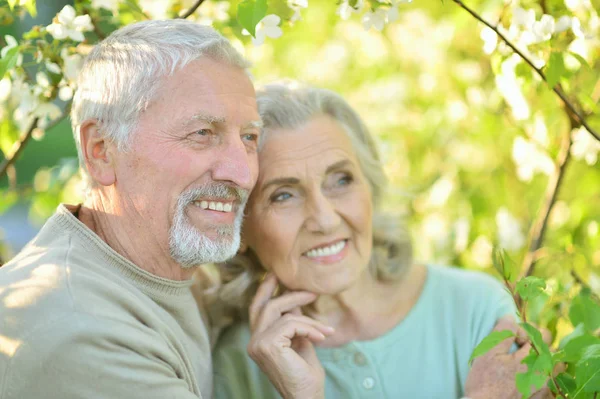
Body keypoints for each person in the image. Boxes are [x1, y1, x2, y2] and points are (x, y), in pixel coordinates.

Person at [211, 83, 547, 398]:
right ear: (238, 227)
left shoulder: (475, 308)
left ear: (370, 187)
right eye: (283, 195)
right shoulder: (238, 363)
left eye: (341, 180)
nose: (325, 219)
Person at [0, 20, 262, 399]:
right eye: (202, 133)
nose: (241, 174)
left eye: (250, 137)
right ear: (101, 150)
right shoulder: (80, 330)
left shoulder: (171, 270)